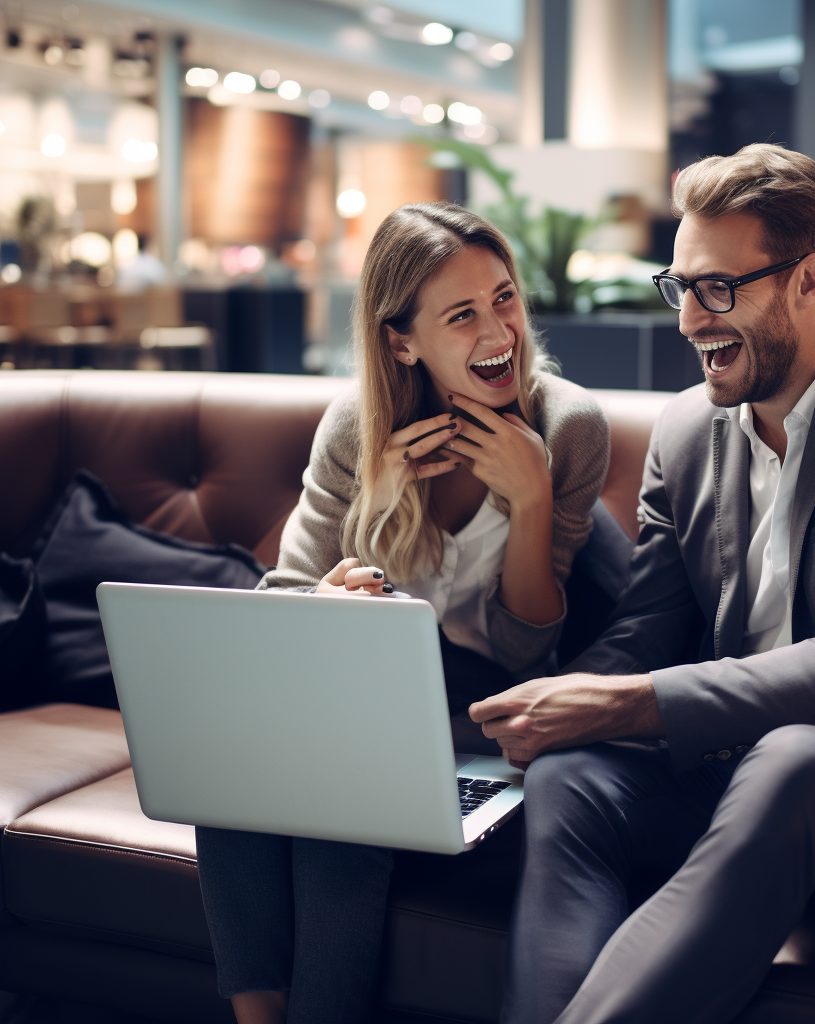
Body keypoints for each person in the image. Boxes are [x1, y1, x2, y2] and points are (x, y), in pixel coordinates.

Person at [468, 144, 815, 1024]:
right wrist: (545, 703)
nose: (689, 320)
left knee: (793, 756)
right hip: (736, 766)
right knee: (570, 777)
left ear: (809, 279)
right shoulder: (688, 429)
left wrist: (623, 704)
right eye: (679, 285)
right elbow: (643, 635)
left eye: (718, 288)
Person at [194, 202, 610, 1024]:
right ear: (401, 341)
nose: (499, 331)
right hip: (361, 708)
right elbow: (281, 604)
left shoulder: (569, 427)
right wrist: (368, 524)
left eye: (504, 298)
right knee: (227, 763)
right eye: (462, 314)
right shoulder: (358, 426)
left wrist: (530, 498)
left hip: (479, 717)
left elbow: (531, 654)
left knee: (340, 798)